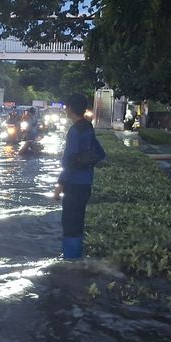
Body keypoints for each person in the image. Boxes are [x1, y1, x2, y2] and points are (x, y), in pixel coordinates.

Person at [54, 93, 107, 259]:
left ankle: (70, 261)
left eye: (66, 107)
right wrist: (87, 163)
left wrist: (60, 185)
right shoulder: (88, 128)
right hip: (86, 184)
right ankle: (76, 256)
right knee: (78, 221)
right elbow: (100, 153)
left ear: (70, 108)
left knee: (69, 223)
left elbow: (69, 161)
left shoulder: (75, 131)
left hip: (73, 185)